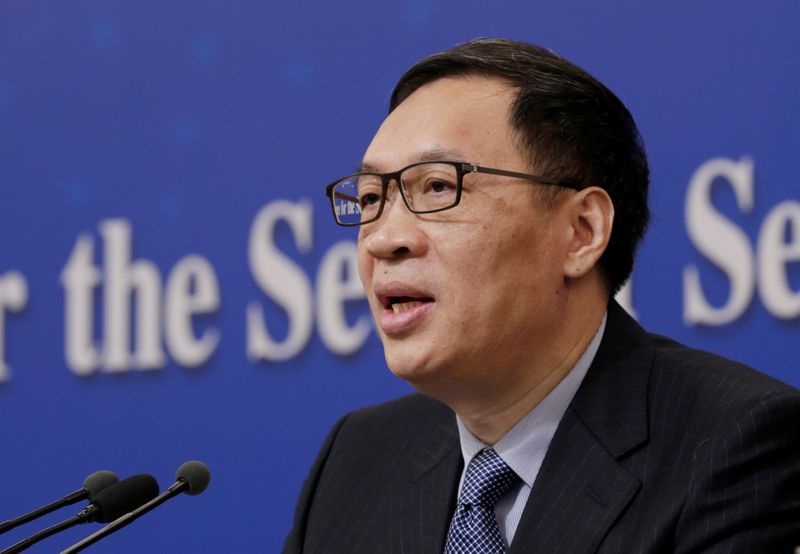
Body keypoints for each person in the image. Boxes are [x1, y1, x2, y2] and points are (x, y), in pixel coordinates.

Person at [283, 38, 800, 553]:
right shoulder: (355, 460)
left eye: (439, 187)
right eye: (372, 197)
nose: (382, 238)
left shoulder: (734, 444)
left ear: (580, 231)